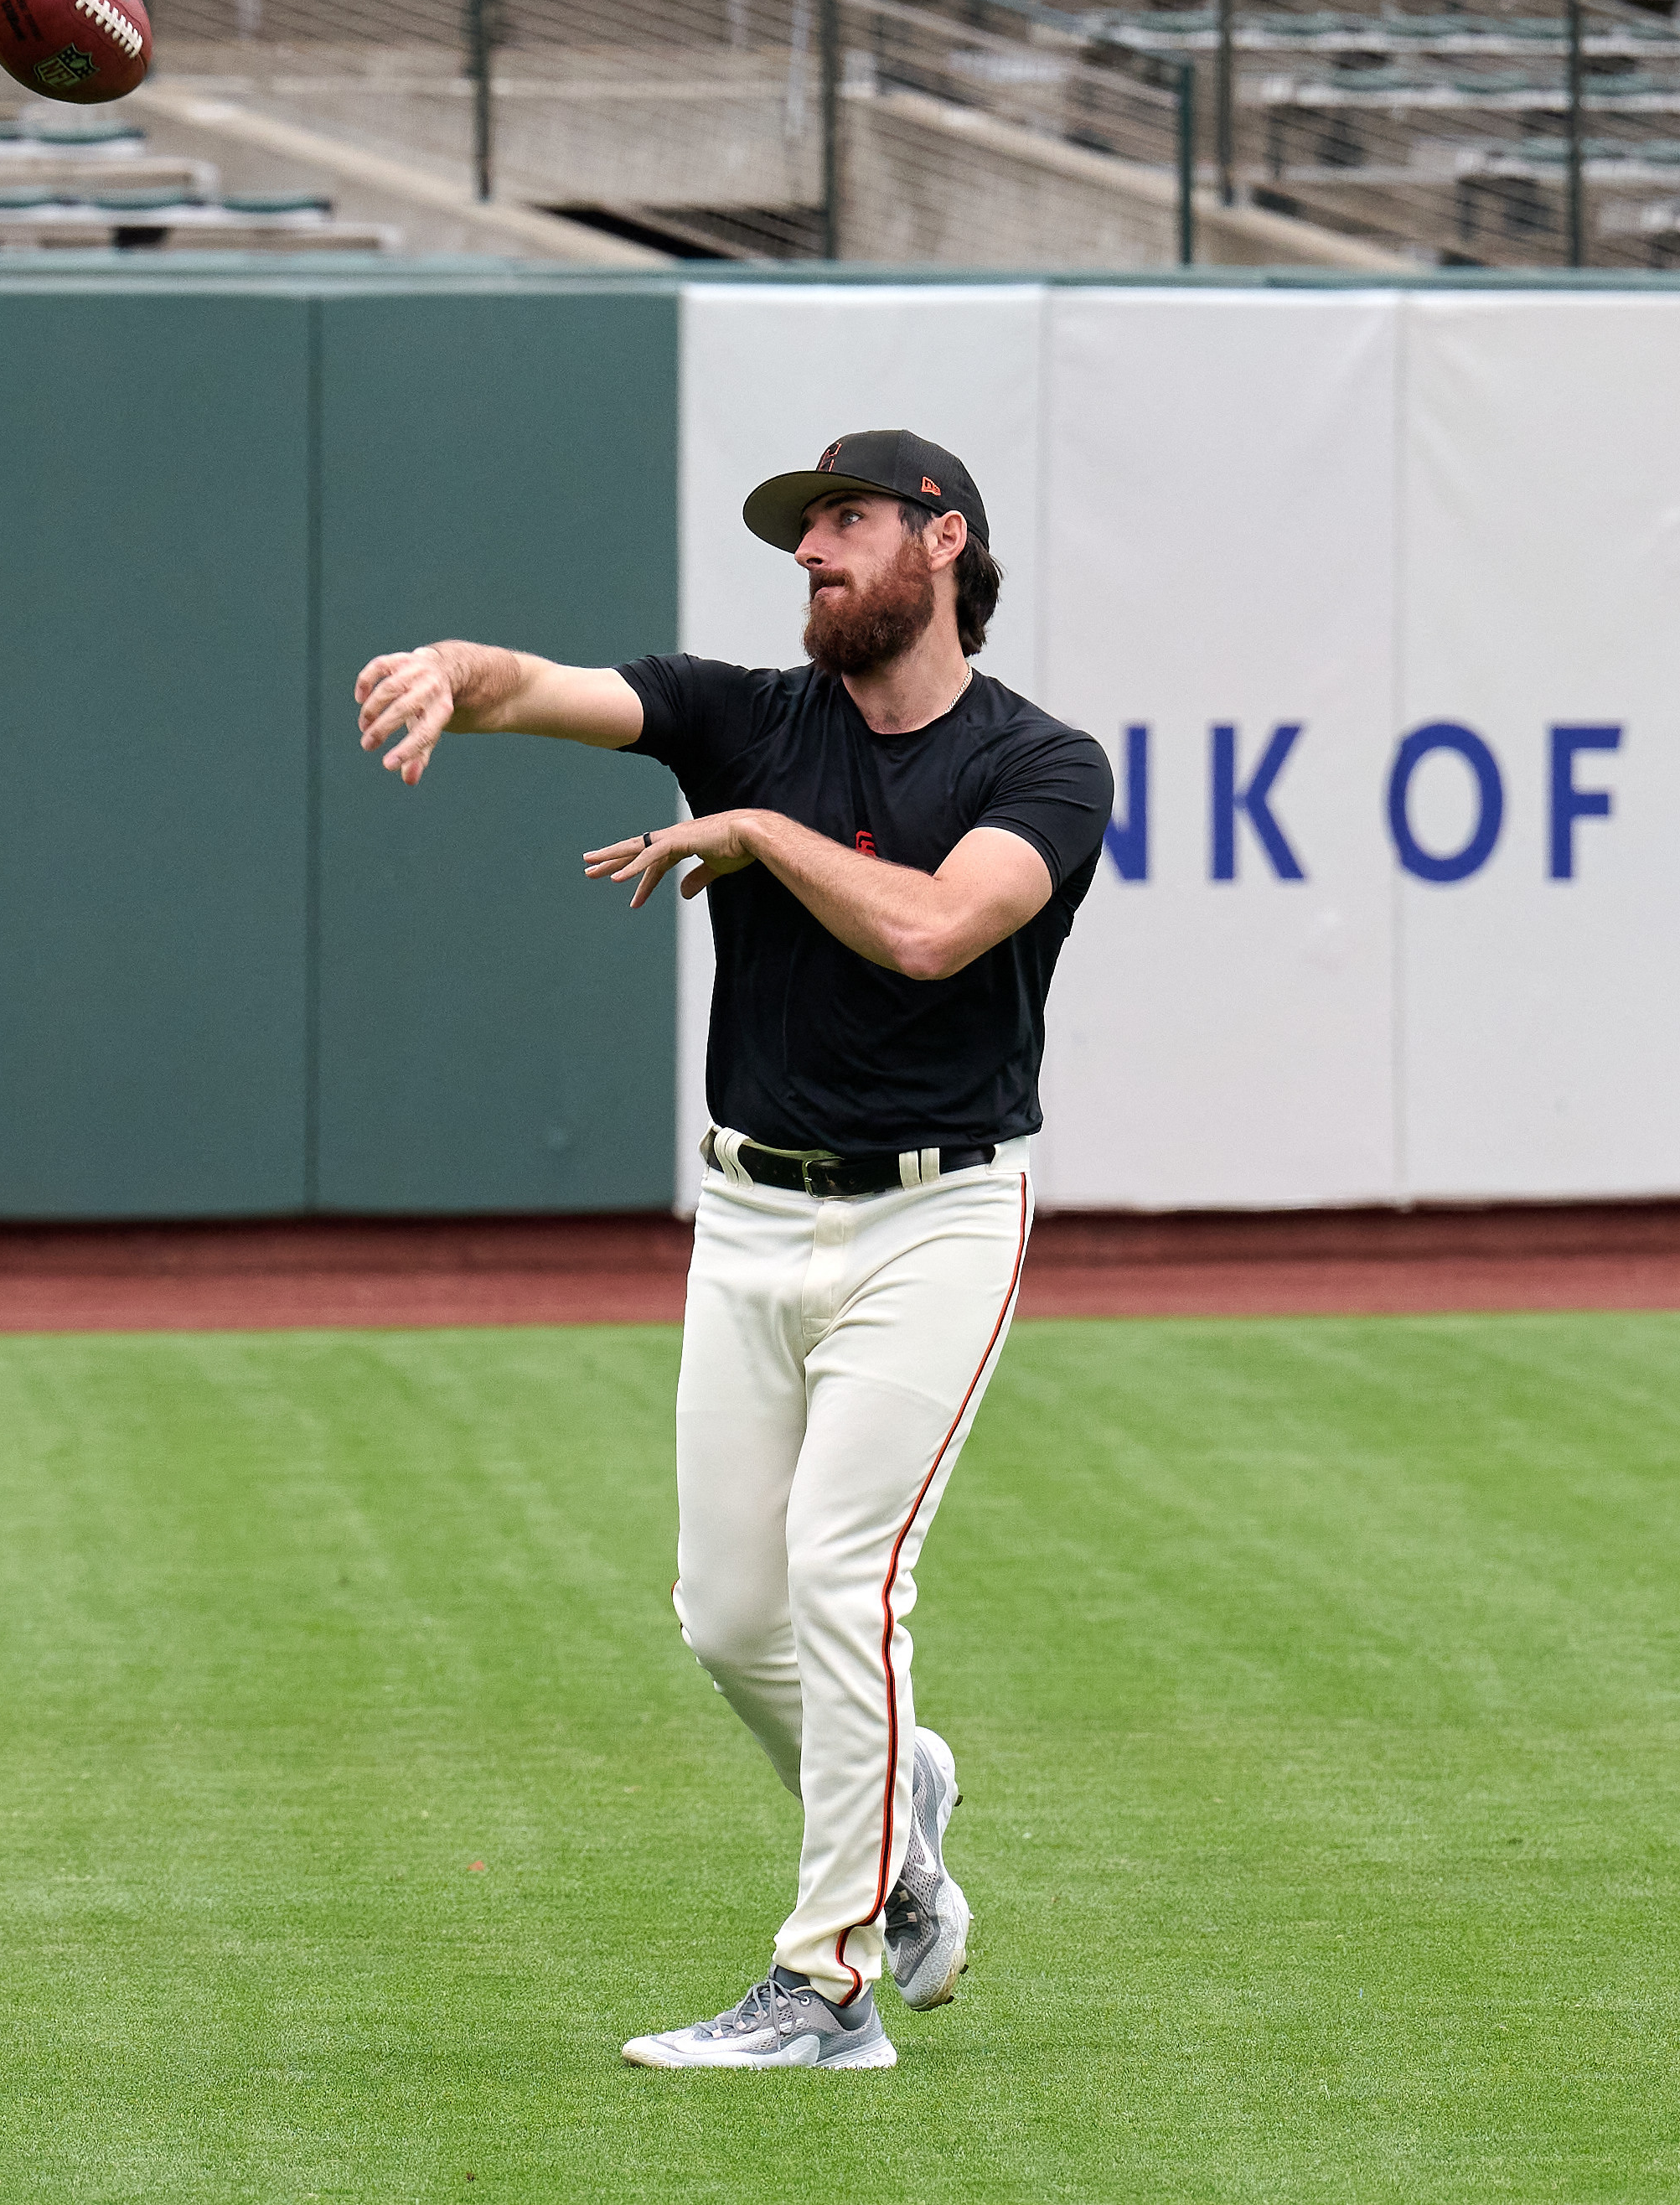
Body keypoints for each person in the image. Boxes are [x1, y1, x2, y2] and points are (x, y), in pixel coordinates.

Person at [351, 431, 1113, 2071]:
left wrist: (761, 836)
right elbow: (538, 691)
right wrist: (452, 671)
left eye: (847, 522)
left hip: (936, 1216)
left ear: (943, 542)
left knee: (847, 1575)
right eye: (802, 531)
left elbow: (930, 931)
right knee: (724, 1612)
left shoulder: (1042, 768)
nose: (815, 553)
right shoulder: (746, 714)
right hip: (749, 1213)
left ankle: (828, 1987)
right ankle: (898, 1818)